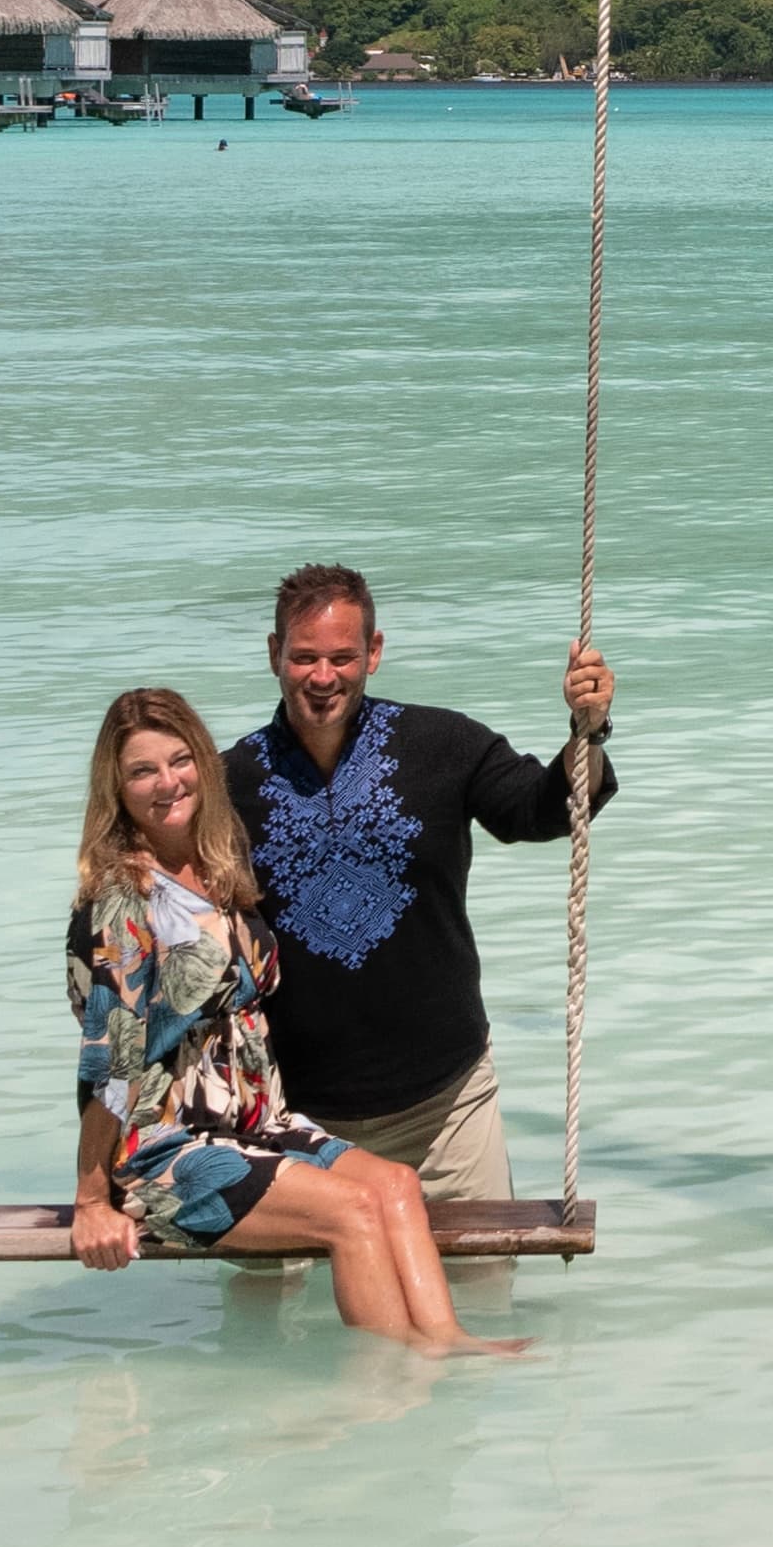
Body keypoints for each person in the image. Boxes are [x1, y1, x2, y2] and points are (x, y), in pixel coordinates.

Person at [67, 687, 529, 1352]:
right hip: (166, 1148)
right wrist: (89, 1202)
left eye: (179, 760)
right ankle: (389, 1387)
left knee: (394, 1186)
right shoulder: (124, 903)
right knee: (350, 1215)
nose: (167, 782)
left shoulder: (214, 867)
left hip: (258, 1125)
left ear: (203, 761)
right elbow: (107, 1062)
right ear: (116, 789)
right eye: (142, 771)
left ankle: (446, 1343)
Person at [223, 563, 616, 1203]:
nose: (323, 677)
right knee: (266, 1303)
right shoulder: (226, 784)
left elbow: (541, 810)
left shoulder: (445, 744)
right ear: (275, 655)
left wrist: (587, 730)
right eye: (304, 658)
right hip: (289, 1117)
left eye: (343, 656)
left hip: (445, 1110)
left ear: (374, 653)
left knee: (483, 1299)